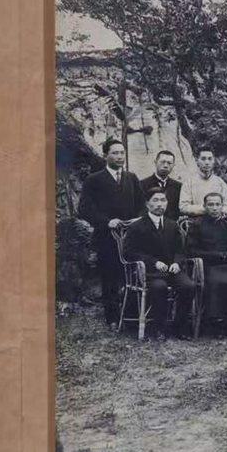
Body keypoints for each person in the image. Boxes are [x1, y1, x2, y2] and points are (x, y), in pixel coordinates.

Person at [78, 138, 146, 323]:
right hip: (106, 237)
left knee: (130, 274)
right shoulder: (94, 180)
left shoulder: (131, 178)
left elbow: (142, 205)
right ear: (105, 155)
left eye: (122, 153)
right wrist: (107, 222)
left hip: (130, 237)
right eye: (115, 153)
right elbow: (84, 208)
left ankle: (130, 314)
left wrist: (138, 220)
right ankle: (112, 318)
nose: (120, 156)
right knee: (109, 276)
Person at [123, 189, 196, 338]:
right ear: (147, 204)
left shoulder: (172, 225)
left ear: (167, 203)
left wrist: (177, 262)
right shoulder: (137, 226)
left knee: (188, 286)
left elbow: (181, 250)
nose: (159, 204)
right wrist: (154, 262)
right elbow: (129, 252)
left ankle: (180, 327)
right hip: (149, 272)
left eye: (163, 200)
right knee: (159, 287)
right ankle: (159, 328)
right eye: (155, 200)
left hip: (172, 270)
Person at [186, 192, 227, 338]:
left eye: (217, 204)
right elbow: (192, 250)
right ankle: (217, 324)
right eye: (211, 204)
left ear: (222, 206)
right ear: (204, 206)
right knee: (218, 282)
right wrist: (217, 256)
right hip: (209, 266)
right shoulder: (196, 226)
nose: (214, 208)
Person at [179, 147, 227, 218]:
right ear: (197, 161)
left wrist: (219, 211)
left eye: (210, 159)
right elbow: (183, 207)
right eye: (203, 159)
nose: (207, 162)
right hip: (197, 221)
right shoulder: (189, 183)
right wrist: (207, 209)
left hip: (217, 221)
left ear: (213, 161)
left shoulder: (220, 182)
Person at [140, 150, 182, 221]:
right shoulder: (142, 184)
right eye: (162, 162)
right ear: (155, 162)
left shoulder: (178, 186)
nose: (165, 166)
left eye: (169, 163)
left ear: (173, 165)